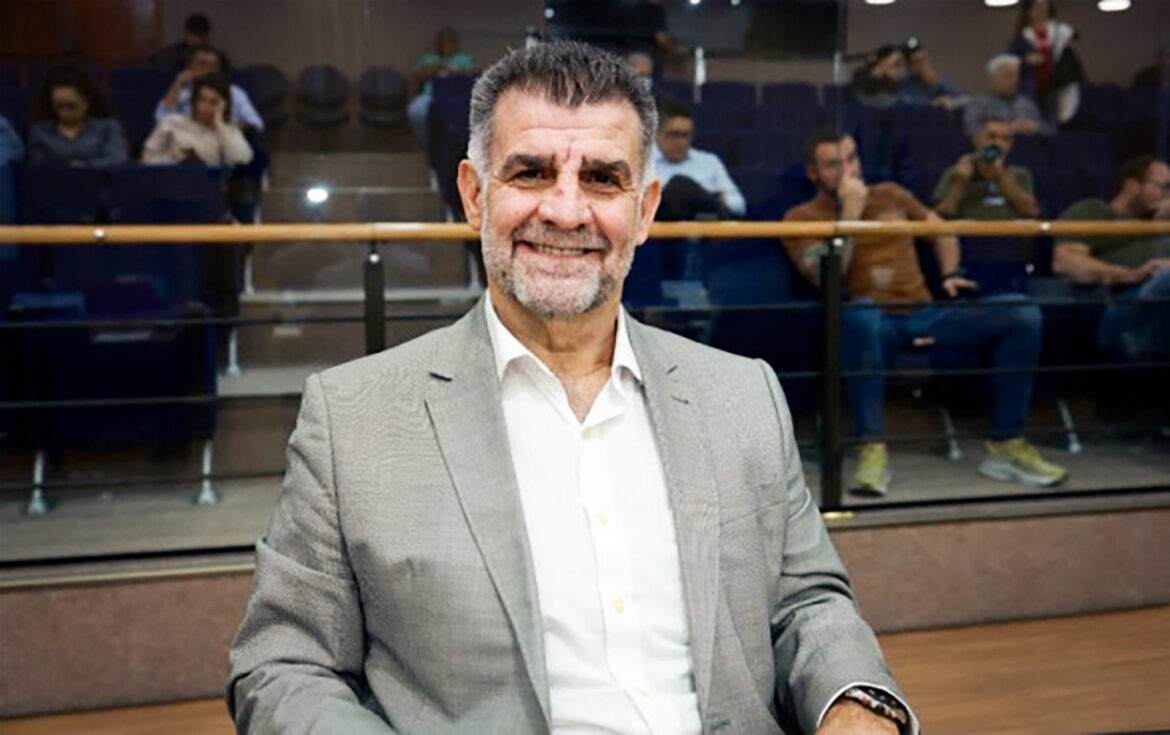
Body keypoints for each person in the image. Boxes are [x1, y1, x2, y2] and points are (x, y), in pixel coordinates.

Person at [228, 41, 918, 735]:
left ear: (644, 211)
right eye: (530, 172)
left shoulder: (743, 396)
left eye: (601, 178)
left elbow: (806, 602)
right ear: (474, 194)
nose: (565, 211)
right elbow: (284, 664)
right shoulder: (352, 419)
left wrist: (856, 704)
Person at [782, 128, 1066, 496]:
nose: (848, 171)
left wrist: (949, 273)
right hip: (871, 322)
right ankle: (872, 448)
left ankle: (1006, 444)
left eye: (852, 159)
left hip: (924, 313)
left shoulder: (891, 194)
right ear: (813, 173)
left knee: (1021, 313)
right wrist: (851, 213)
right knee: (858, 316)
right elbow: (828, 280)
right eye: (834, 164)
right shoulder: (800, 217)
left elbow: (941, 231)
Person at [1054, 155, 1170, 362]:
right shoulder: (1095, 211)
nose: (1167, 194)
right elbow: (1066, 262)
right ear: (1132, 186)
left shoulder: (1162, 223)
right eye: (1165, 186)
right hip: (1124, 303)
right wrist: (1132, 275)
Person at [653, 94, 745, 220]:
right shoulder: (643, 163)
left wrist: (716, 200)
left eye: (686, 135)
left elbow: (739, 204)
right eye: (674, 134)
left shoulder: (709, 162)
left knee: (683, 187)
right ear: (657, 134)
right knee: (677, 187)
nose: (681, 141)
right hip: (661, 225)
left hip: (703, 224)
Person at [934, 114, 1040, 220]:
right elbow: (942, 216)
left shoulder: (1020, 174)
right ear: (976, 139)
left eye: (1005, 139)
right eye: (991, 137)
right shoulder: (956, 172)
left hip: (1007, 229)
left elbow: (1031, 212)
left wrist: (1002, 177)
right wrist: (959, 183)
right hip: (969, 229)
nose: (998, 144)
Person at [27, 63, 128, 167]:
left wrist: (84, 167)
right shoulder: (40, 131)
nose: (64, 113)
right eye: (59, 106)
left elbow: (117, 159)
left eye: (71, 106)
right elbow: (37, 167)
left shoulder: (108, 128)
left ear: (86, 103)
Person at [142, 72, 252, 168]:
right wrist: (175, 161)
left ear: (223, 106)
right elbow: (146, 159)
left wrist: (220, 126)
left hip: (209, 182)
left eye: (213, 102)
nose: (205, 107)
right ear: (194, 100)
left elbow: (242, 161)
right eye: (201, 99)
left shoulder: (227, 130)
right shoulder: (172, 122)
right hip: (171, 179)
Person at [155, 44, 262, 131]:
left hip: (223, 140)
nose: (209, 70)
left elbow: (255, 123)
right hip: (187, 142)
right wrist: (177, 84)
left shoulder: (234, 92)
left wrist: (227, 127)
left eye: (214, 66)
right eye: (203, 64)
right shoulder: (182, 93)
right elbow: (160, 120)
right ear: (189, 67)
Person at [1007, 0, 1081, 125]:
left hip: (1055, 85)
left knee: (1053, 121)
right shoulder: (1022, 36)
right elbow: (1009, 62)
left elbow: (1074, 37)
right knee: (1031, 121)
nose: (1041, 11)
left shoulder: (1059, 31)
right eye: (1037, 8)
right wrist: (1026, 60)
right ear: (1029, 11)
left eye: (1044, 7)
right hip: (1030, 87)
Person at [406, 27, 477, 150]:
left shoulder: (463, 59)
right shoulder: (429, 59)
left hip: (458, 97)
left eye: (451, 41)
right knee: (416, 110)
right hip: (431, 96)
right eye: (445, 41)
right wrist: (440, 65)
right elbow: (419, 77)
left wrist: (458, 71)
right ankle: (428, 146)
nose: (448, 44)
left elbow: (474, 75)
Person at [964, 54, 1051, 138]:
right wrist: (1008, 128)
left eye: (1016, 76)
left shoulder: (1027, 105)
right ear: (992, 78)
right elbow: (971, 131)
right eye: (1008, 76)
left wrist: (1036, 127)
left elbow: (1049, 132)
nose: (1014, 81)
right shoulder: (979, 104)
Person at [154, 12, 231, 72]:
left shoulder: (216, 56)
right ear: (186, 33)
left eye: (200, 35)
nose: (197, 39)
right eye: (194, 34)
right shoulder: (170, 55)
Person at [897, 40, 961, 109]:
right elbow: (907, 103)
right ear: (907, 63)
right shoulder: (902, 83)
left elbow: (959, 99)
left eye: (922, 60)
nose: (920, 65)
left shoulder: (937, 80)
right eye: (914, 61)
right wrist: (933, 103)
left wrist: (948, 99)